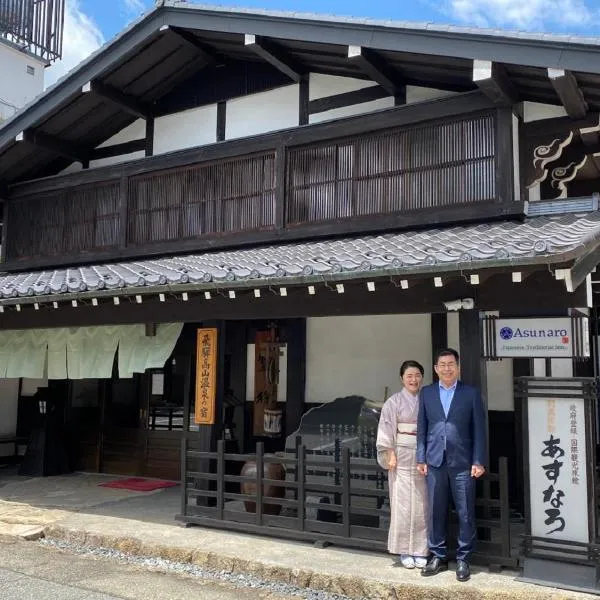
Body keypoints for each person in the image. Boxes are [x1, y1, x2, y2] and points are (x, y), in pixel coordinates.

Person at [416, 348, 486, 583]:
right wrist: (421, 457)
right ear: (436, 369)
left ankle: (464, 558)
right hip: (435, 461)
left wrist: (478, 460)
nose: (447, 368)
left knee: (465, 511)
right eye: (442, 364)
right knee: (436, 509)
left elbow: (479, 429)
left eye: (451, 364)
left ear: (458, 367)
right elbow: (422, 428)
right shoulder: (426, 393)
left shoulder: (470, 393)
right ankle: (437, 555)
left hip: (463, 462)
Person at [376, 360, 428, 569]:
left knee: (423, 504)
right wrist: (390, 454)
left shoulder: (426, 400)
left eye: (417, 375)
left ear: (421, 378)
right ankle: (404, 549)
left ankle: (421, 549)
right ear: (402, 378)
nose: (413, 379)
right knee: (402, 504)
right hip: (400, 455)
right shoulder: (393, 402)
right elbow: (386, 429)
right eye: (409, 376)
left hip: (422, 456)